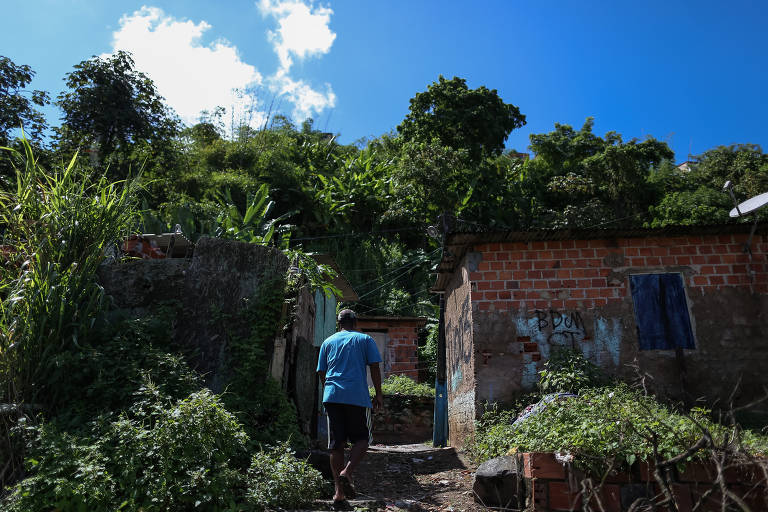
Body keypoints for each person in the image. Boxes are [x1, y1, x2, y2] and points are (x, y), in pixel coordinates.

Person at [317, 309, 384, 505]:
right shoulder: (365, 339)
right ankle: (347, 471)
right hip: (356, 397)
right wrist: (378, 393)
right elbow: (374, 367)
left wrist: (329, 390)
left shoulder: (327, 342)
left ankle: (339, 492)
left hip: (332, 396)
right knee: (362, 439)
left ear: (339, 323)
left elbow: (322, 371)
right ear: (355, 322)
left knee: (336, 444)